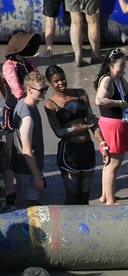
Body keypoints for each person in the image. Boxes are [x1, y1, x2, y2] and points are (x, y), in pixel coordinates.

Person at [43, 65, 105, 206]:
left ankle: (84, 226)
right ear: (50, 83)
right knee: (72, 196)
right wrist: (84, 126)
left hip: (88, 149)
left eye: (62, 79)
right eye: (56, 81)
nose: (61, 83)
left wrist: (103, 144)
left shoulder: (80, 93)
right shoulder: (50, 105)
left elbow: (92, 121)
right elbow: (59, 132)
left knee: (84, 196)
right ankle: (68, 226)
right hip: (69, 152)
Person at [94, 50, 128, 206]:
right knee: (113, 164)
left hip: (118, 123)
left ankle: (105, 196)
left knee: (109, 163)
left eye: (125, 64)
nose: (123, 67)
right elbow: (99, 100)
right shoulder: (107, 80)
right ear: (111, 66)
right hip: (112, 125)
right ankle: (111, 201)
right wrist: (120, 103)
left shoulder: (118, 78)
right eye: (121, 65)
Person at [3, 32, 41, 207]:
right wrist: (31, 96)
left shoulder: (28, 63)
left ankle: (25, 180)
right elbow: (17, 91)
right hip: (13, 111)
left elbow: (38, 80)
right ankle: (11, 190)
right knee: (10, 154)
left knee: (29, 144)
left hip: (28, 107)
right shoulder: (9, 66)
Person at [11, 71, 46, 207]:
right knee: (29, 204)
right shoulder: (27, 117)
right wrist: (37, 177)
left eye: (45, 88)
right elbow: (27, 150)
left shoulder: (23, 103)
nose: (44, 92)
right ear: (29, 90)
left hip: (25, 167)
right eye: (41, 90)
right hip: (27, 169)